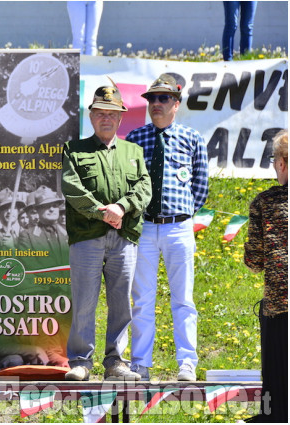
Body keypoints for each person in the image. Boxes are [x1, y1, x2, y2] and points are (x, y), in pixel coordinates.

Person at [62, 83, 151, 381]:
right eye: (100, 112)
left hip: (124, 237)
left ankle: (116, 363)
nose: (106, 118)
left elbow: (144, 188)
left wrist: (122, 208)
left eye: (112, 114)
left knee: (121, 302)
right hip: (87, 236)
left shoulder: (133, 151)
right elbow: (72, 188)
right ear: (91, 116)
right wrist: (103, 211)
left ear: (121, 118)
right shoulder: (74, 150)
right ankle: (80, 362)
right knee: (85, 300)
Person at [127, 74, 209, 382]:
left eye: (163, 99)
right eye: (151, 99)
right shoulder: (135, 138)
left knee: (184, 299)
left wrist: (183, 214)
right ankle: (140, 364)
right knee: (143, 299)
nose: (156, 104)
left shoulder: (192, 138)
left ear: (176, 103)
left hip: (178, 227)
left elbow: (200, 187)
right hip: (144, 228)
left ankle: (187, 362)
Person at [243, 129, 287, 423]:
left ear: (282, 163)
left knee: (277, 370)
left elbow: (255, 261)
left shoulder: (266, 202)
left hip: (280, 304)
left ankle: (274, 416)